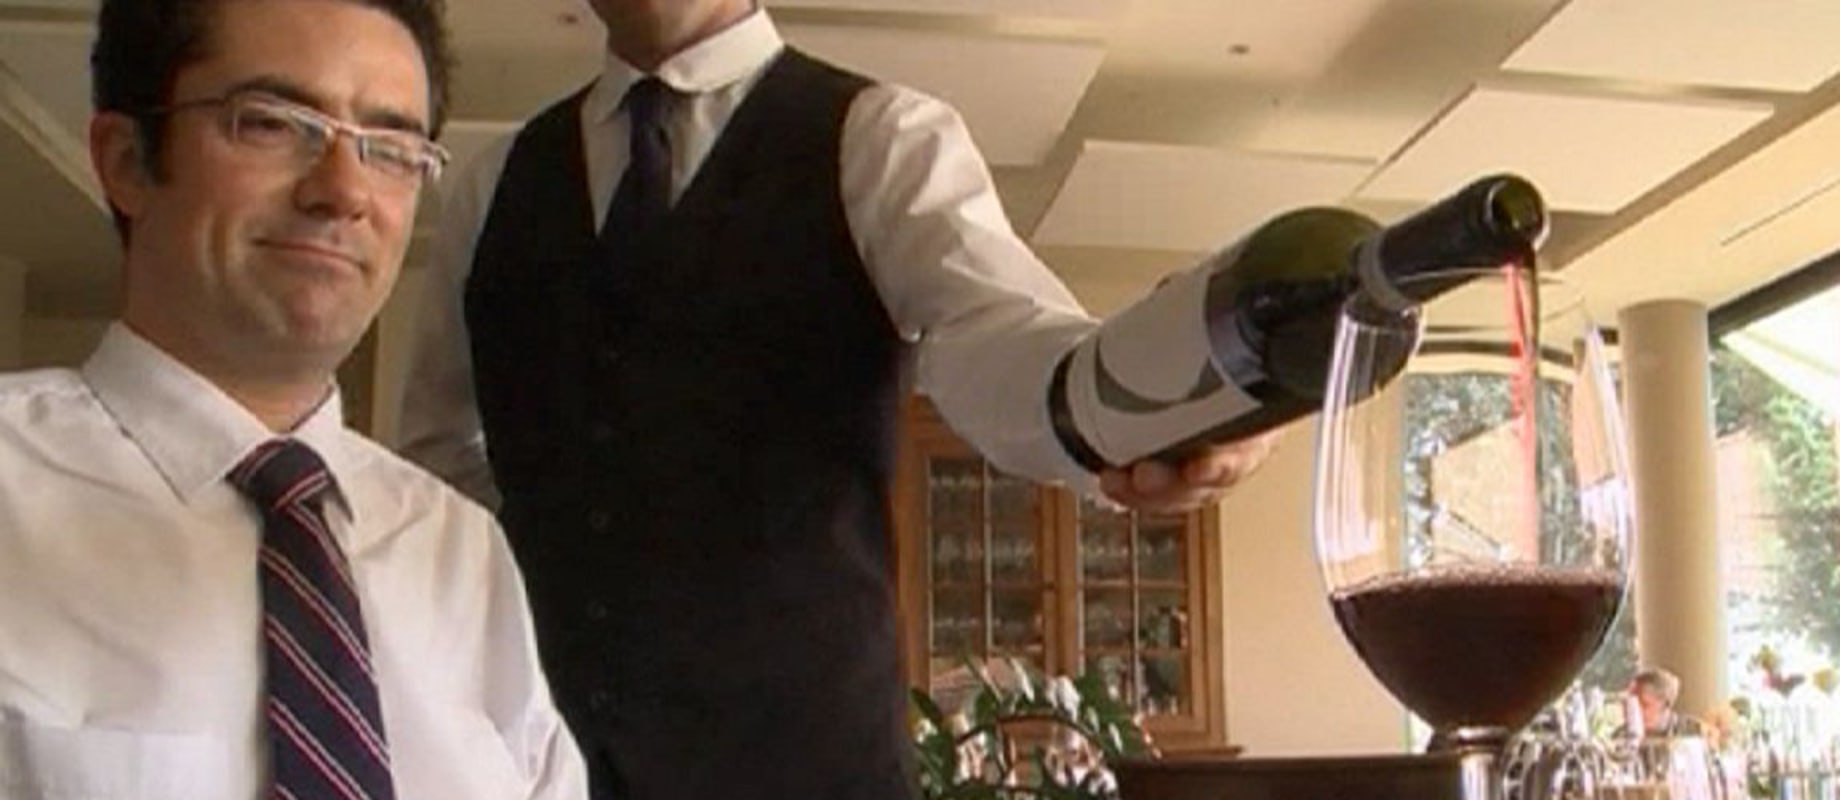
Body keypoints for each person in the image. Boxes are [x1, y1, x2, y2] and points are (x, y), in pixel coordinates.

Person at [397, 0, 1274, 797]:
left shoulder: (882, 138)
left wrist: (1134, 409)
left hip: (812, 767)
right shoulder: (491, 183)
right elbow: (438, 464)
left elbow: (997, 336)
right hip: (537, 768)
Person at [0, 0, 588, 796]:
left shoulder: (458, 551)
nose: (344, 191)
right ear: (127, 160)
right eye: (271, 123)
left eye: (391, 149)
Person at [1621, 667, 1705, 739]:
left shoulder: (1694, 731)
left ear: (1666, 704)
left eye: (1644, 705)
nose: (1635, 712)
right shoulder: (1623, 736)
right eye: (1629, 706)